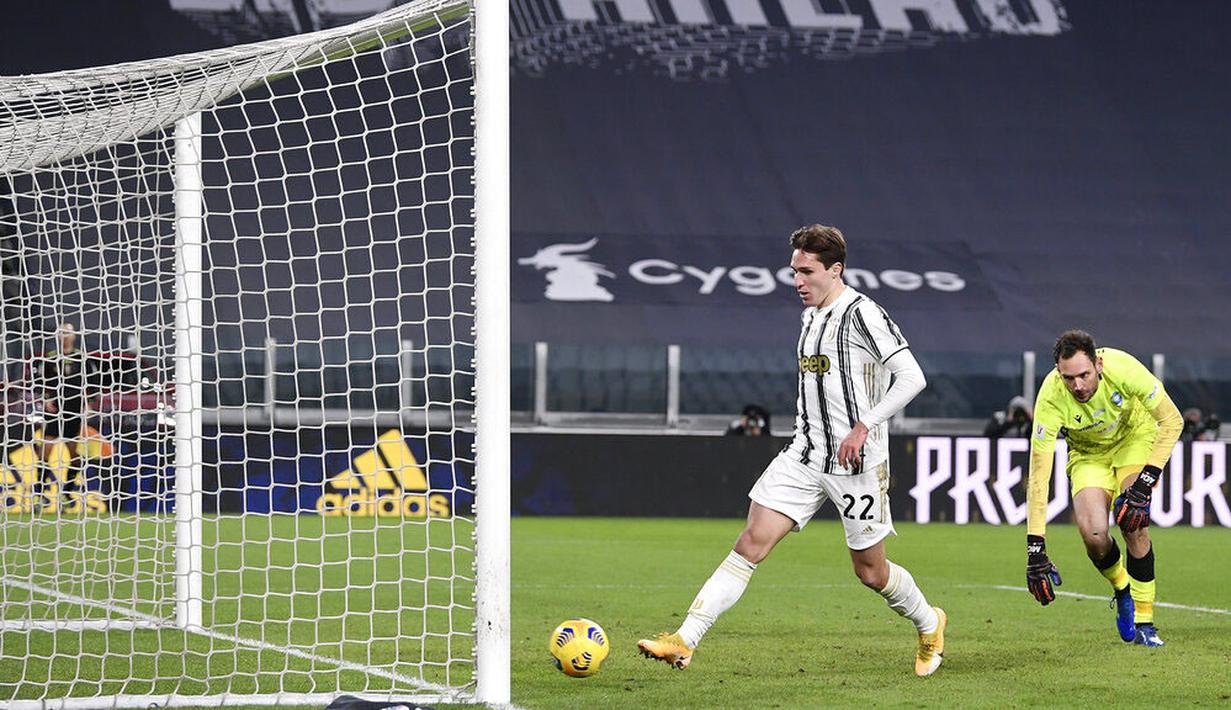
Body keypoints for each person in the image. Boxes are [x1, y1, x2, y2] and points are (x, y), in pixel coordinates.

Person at [638, 224, 946, 676]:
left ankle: (928, 623)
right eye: (793, 272)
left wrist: (864, 426)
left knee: (871, 573)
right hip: (804, 456)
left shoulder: (863, 314)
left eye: (807, 272)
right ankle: (685, 640)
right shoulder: (810, 317)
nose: (797, 281)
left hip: (856, 465)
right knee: (750, 544)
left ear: (835, 270)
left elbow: (912, 377)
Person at [1024, 330, 1182, 647]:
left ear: (1098, 364)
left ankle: (1145, 621)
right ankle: (1121, 588)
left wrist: (1146, 481)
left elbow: (1172, 420)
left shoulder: (1123, 368)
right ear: (1058, 372)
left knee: (1133, 520)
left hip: (1134, 441)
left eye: (1084, 375)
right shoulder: (1051, 397)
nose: (1078, 386)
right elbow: (1039, 475)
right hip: (1088, 455)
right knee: (1094, 535)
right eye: (1069, 378)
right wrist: (1035, 548)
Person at [32, 322, 93, 511]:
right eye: (62, 333)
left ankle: (67, 492)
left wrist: (88, 405)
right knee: (45, 453)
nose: (65, 336)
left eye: (68, 333)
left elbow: (91, 384)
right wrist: (45, 400)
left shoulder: (81, 359)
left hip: (74, 412)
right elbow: (38, 384)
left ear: (74, 336)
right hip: (54, 412)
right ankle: (41, 493)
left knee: (75, 455)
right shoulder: (50, 358)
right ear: (57, 336)